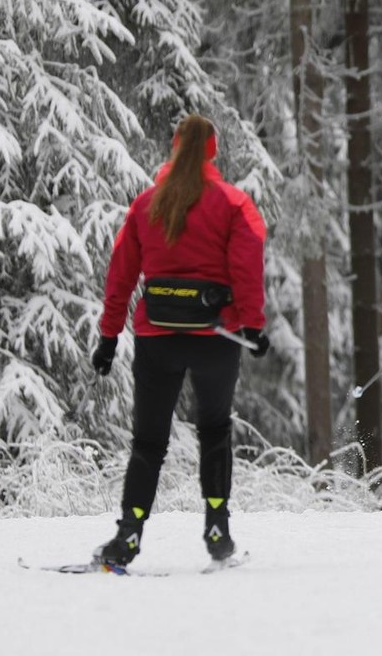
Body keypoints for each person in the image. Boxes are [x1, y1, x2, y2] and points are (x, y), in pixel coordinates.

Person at [90, 114, 269, 569]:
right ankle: (217, 529)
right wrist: (252, 325)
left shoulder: (146, 204)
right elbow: (248, 265)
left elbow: (120, 274)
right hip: (216, 336)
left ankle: (128, 536)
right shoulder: (234, 204)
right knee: (215, 431)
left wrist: (109, 337)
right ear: (213, 150)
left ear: (174, 146)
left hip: (158, 337)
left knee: (148, 442)